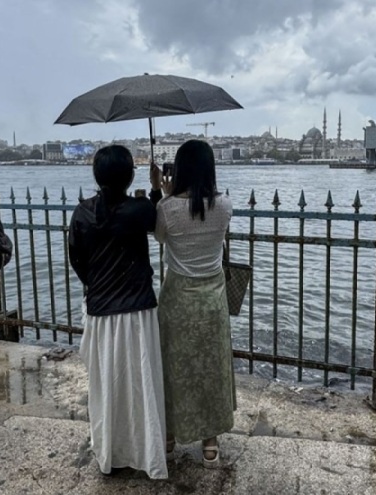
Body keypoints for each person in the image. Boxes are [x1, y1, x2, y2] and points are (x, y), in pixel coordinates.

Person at [68, 145, 168, 479]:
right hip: (137, 309)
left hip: (100, 310)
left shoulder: (82, 213)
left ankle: (110, 449)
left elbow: (77, 261)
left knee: (106, 384)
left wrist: (97, 284)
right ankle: (145, 449)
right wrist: (156, 189)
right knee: (141, 383)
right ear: (129, 175)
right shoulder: (139, 209)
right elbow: (159, 222)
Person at [150, 139, 235, 468]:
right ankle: (210, 442)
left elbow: (160, 238)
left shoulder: (167, 209)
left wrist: (163, 193)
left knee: (174, 367)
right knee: (211, 370)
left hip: (178, 299)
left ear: (180, 169)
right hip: (213, 299)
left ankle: (170, 435)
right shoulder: (225, 205)